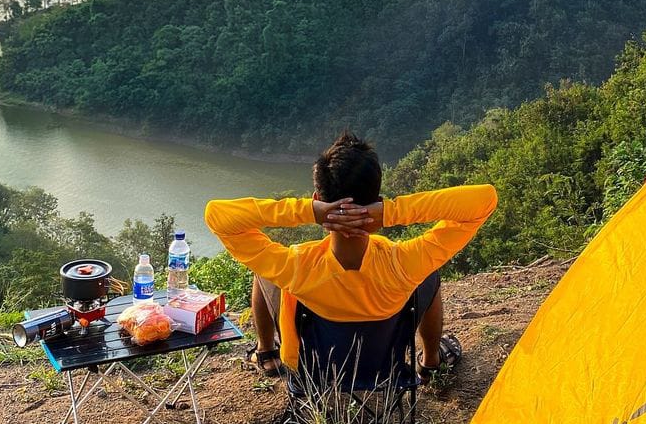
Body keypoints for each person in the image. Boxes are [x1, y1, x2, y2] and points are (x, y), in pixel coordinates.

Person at [203, 130, 498, 381]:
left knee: (262, 268)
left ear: (319, 199)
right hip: (385, 367)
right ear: (377, 200)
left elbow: (217, 215)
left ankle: (265, 351)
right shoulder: (405, 262)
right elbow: (483, 200)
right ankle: (431, 363)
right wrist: (391, 212)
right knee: (430, 272)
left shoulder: (295, 266)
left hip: (314, 368)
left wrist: (307, 212)